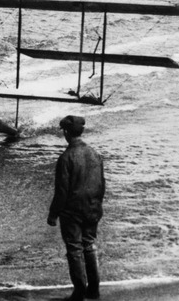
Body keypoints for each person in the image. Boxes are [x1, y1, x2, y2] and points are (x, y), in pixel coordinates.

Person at [48, 115, 105, 301]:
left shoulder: (66, 158)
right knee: (89, 245)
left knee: (74, 249)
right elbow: (102, 185)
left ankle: (79, 292)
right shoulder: (95, 154)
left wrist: (53, 214)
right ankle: (94, 291)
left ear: (66, 133)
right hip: (93, 208)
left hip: (73, 212)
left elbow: (62, 192)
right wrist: (97, 206)